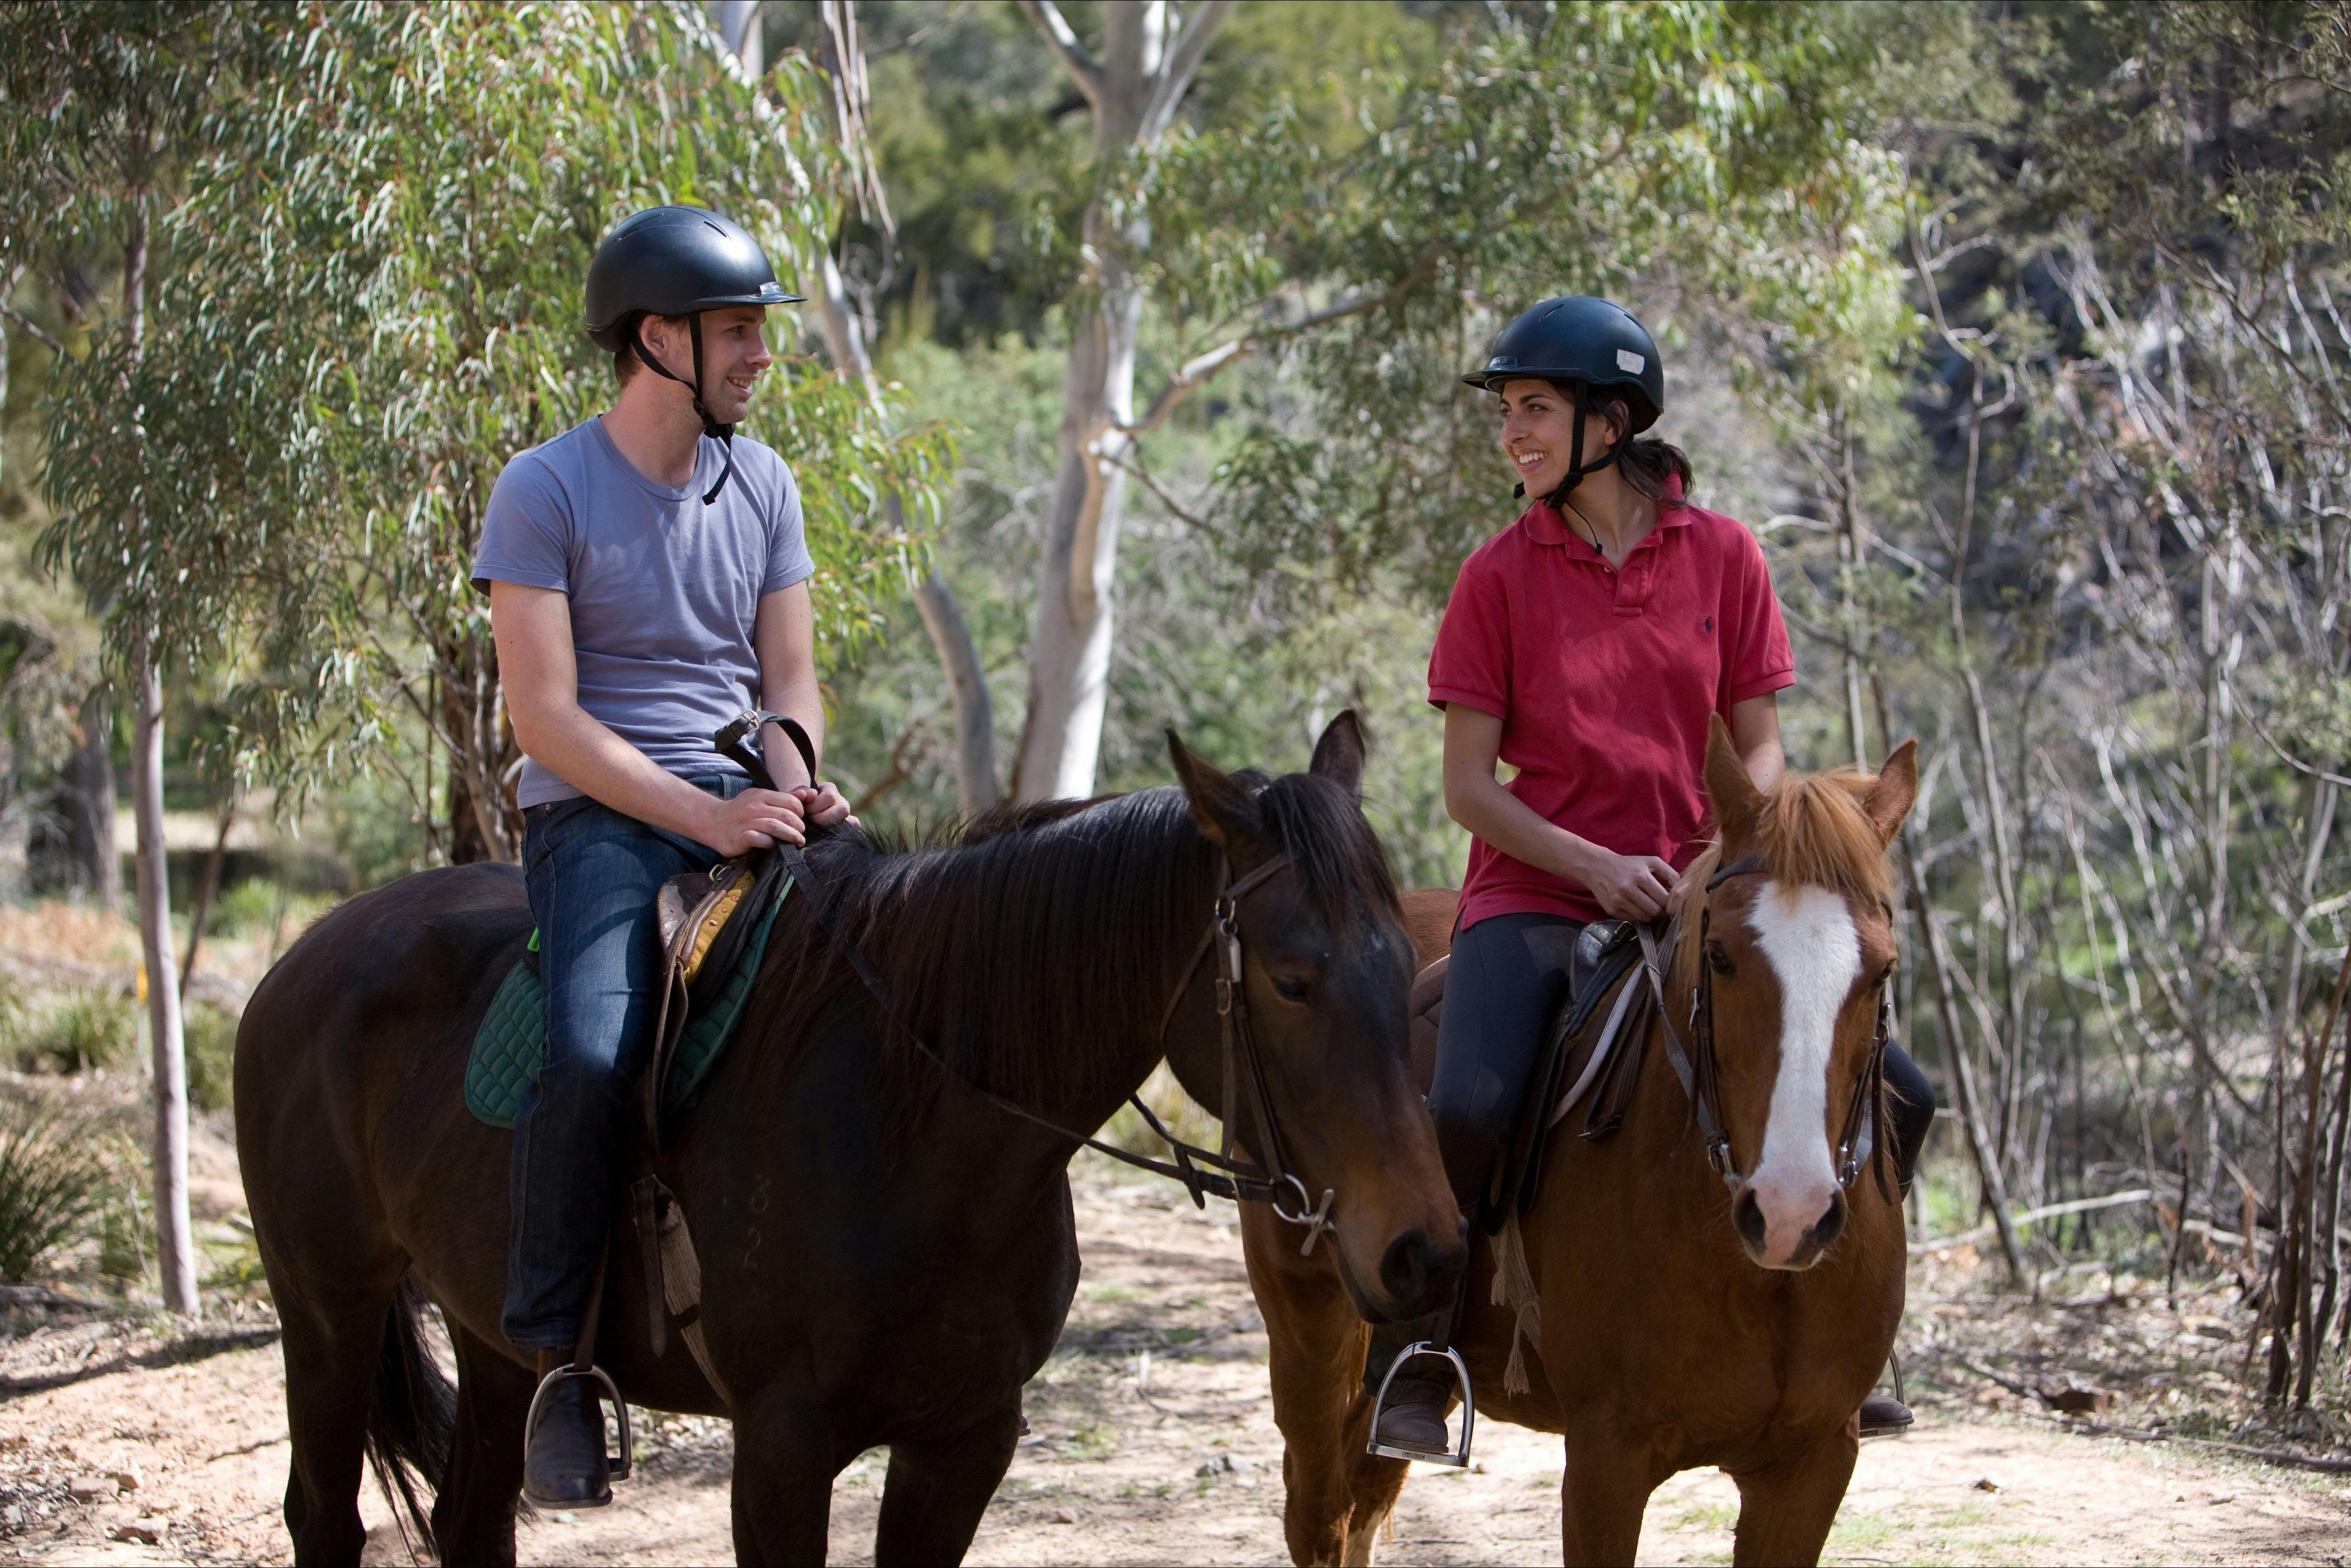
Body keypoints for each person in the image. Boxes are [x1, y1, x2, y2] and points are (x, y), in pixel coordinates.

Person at [1368, 296, 1935, 1456]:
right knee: (1470, 1101)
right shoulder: (1497, 575)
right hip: (1537, 888)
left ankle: (1850, 1334)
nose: (1515, 434)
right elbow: (1470, 788)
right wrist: (1593, 863)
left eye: (1536, 410)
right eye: (1510, 413)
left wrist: (1722, 858)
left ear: (1610, 421)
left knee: (1907, 1092)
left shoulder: (1726, 556)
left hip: (1707, 883)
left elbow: (1762, 746)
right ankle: (1416, 1352)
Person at [471, 206, 854, 1507]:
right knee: (589, 1048)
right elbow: (548, 721)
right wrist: (703, 820)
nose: (759, 353)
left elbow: (790, 676)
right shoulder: (545, 489)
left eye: (758, 329)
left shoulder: (768, 484)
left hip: (746, 798)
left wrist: (796, 782)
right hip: (597, 816)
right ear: (658, 339)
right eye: (737, 330)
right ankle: (557, 1362)